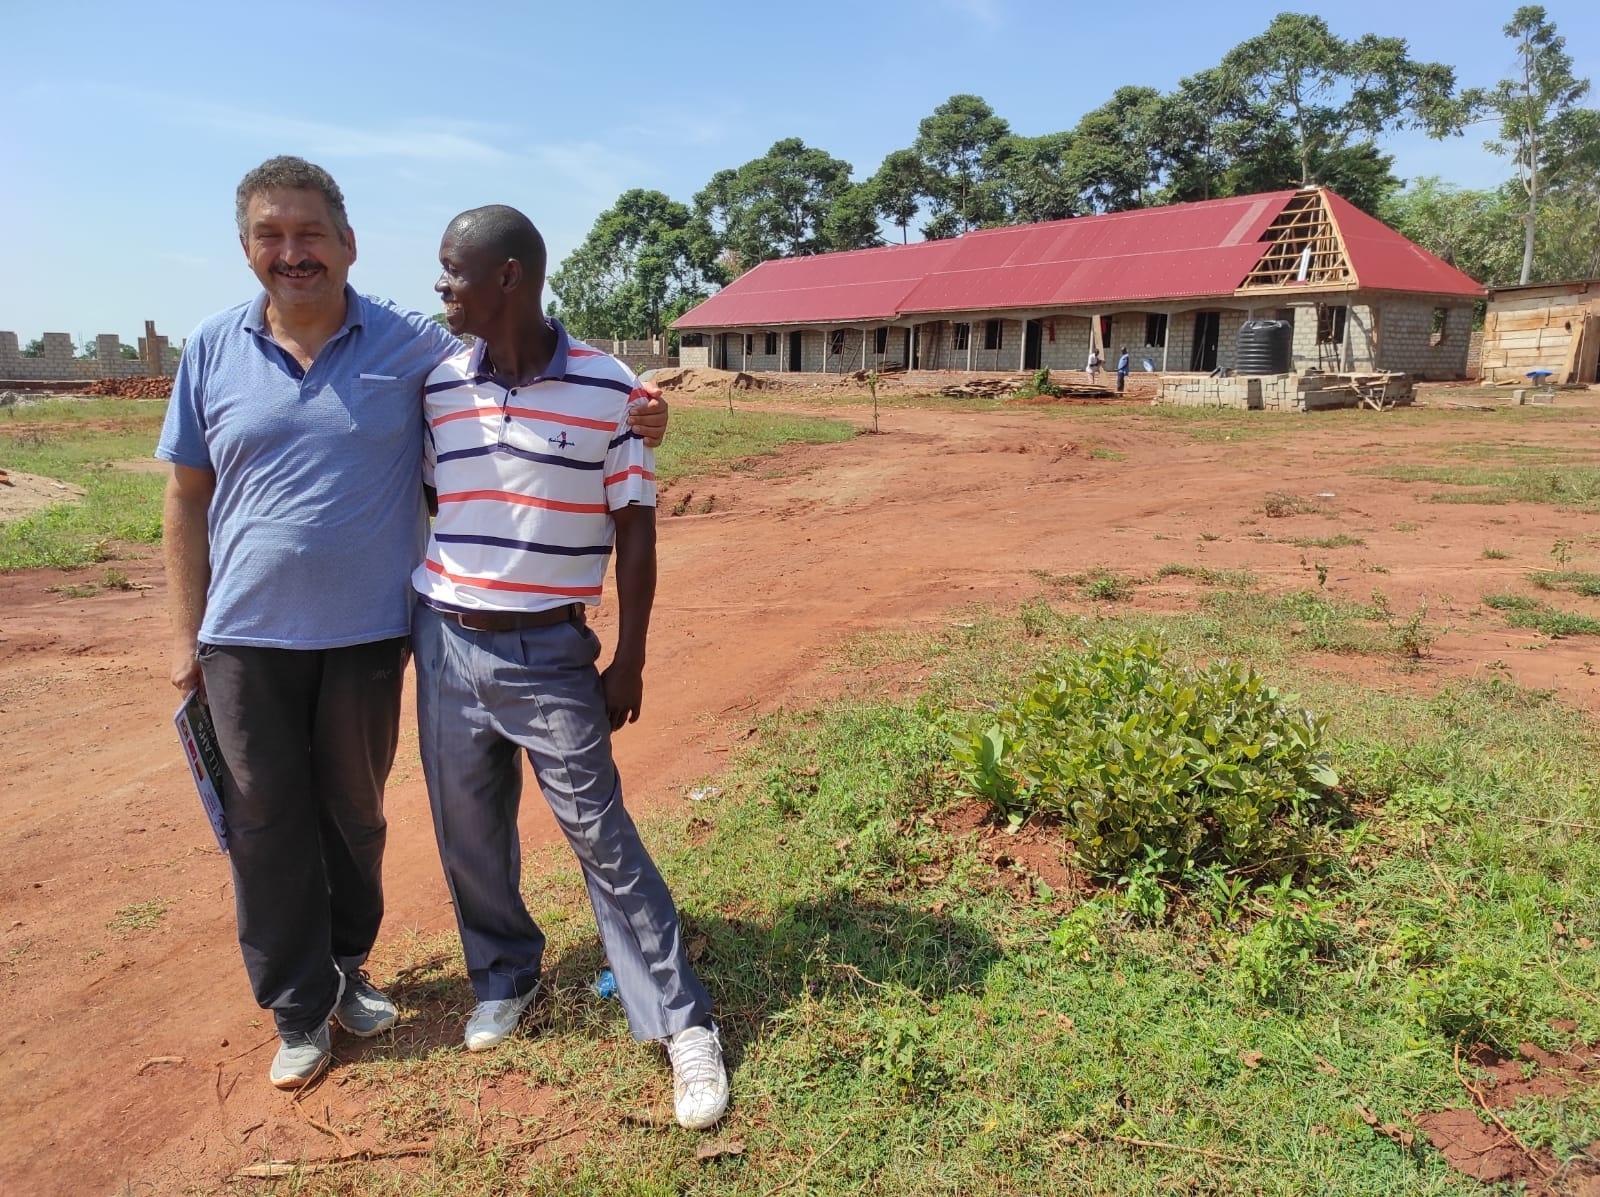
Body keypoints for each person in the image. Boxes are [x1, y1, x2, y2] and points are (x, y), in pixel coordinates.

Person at [156, 157, 668, 1091]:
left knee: (356, 815)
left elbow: (520, 349)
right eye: (271, 235)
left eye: (310, 233)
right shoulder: (211, 349)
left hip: (369, 634)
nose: (292, 252)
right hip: (243, 636)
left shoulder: (412, 346)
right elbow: (186, 495)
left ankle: (348, 966)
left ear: (348, 244)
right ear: (246, 249)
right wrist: (182, 635)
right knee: (265, 818)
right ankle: (298, 1008)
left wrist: (639, 405)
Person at [410, 204, 729, 1132]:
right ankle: (504, 975)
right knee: (468, 828)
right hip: (445, 640)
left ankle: (683, 1020)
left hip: (550, 652)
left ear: (508, 275)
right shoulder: (439, 385)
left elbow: (636, 531)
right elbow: (436, 497)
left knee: (601, 835)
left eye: (454, 270)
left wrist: (630, 657)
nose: (441, 286)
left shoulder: (610, 389)